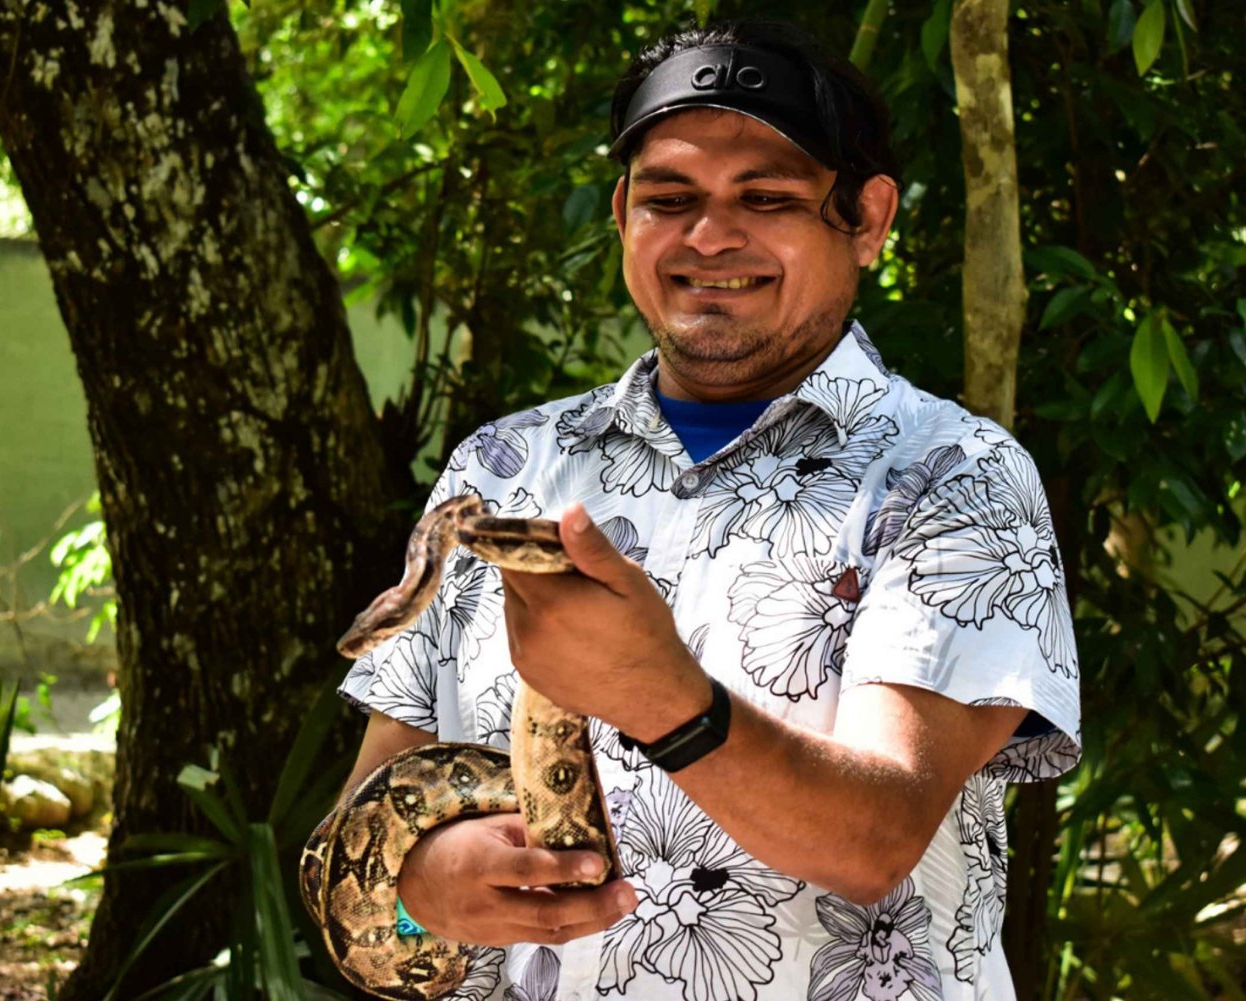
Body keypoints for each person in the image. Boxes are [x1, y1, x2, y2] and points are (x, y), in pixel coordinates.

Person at [339, 19, 1081, 1001]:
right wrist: (419, 882)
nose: (709, 236)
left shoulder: (955, 477)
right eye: (669, 199)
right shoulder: (503, 470)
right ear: (622, 216)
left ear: (867, 217)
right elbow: (365, 821)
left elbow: (875, 840)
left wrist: (660, 697)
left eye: (766, 199)